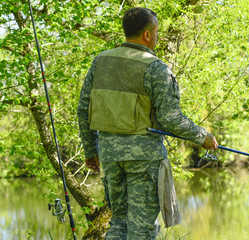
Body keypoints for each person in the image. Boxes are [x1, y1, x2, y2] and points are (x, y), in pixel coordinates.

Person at [77, 7, 217, 240]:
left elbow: (83, 109)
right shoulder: (155, 68)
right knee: (142, 230)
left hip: (110, 156)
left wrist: (91, 151)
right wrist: (203, 137)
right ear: (147, 35)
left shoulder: (100, 62)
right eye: (156, 32)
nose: (157, 37)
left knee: (119, 223)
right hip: (145, 159)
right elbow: (170, 118)